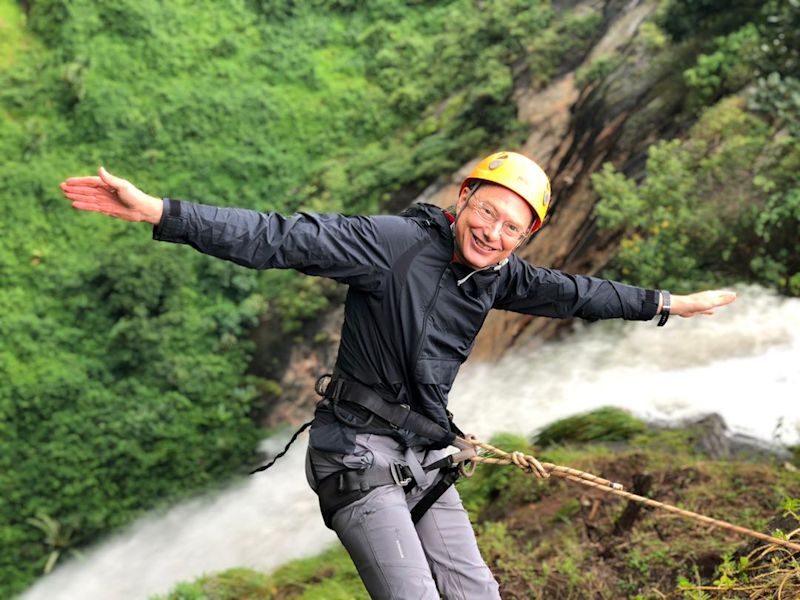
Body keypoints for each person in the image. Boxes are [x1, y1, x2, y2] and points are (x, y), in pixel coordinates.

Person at [60, 152, 736, 599]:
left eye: (513, 228)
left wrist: (667, 304)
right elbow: (279, 238)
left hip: (424, 455)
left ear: (524, 239)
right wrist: (161, 212)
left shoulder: (497, 276)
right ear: (462, 197)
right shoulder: (393, 245)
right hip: (353, 453)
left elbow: (574, 293)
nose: (495, 233)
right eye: (487, 212)